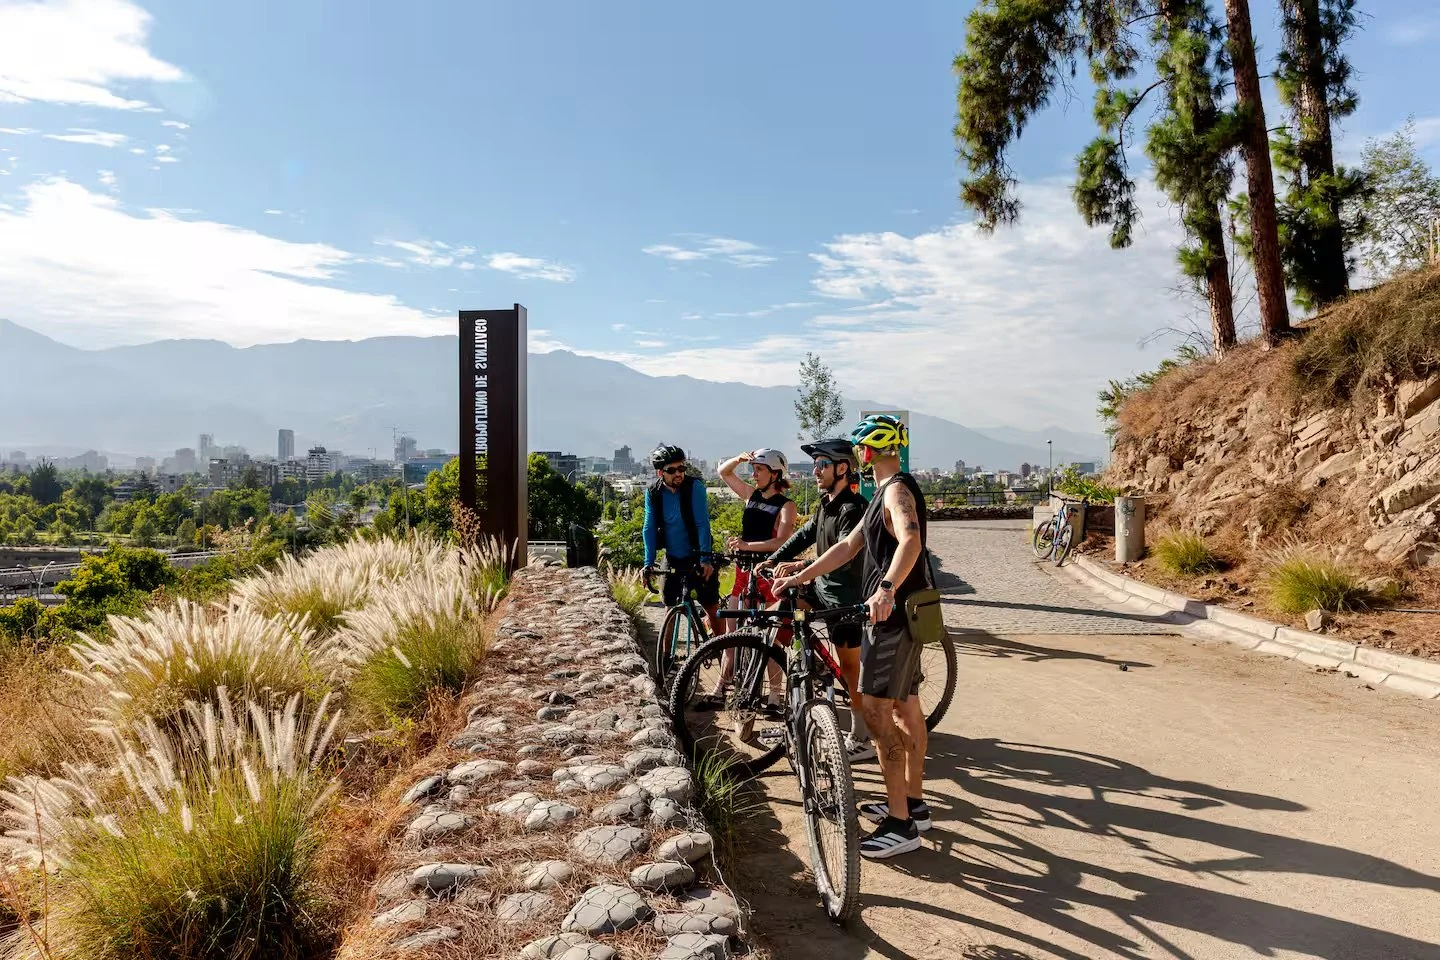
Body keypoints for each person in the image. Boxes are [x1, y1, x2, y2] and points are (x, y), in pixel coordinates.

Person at [774, 414, 931, 859]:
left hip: (890, 618)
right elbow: (845, 549)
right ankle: (913, 805)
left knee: (881, 718)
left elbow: (911, 541)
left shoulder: (895, 490)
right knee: (906, 707)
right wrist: (799, 576)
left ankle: (901, 826)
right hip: (907, 616)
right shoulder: (884, 491)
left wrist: (885, 588)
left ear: (863, 453)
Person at [762, 437, 875, 762]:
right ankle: (802, 688)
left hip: (845, 597)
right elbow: (804, 535)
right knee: (778, 614)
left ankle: (861, 737)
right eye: (815, 464)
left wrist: (801, 569)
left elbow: (842, 553)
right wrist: (776, 559)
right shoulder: (826, 503)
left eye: (822, 464)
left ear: (842, 469)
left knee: (851, 668)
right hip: (819, 588)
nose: (815, 470)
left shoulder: (853, 510)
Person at [642, 444, 721, 636]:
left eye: (682, 468)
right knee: (670, 609)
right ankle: (666, 660)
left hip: (698, 555)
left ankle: (723, 652)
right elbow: (649, 527)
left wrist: (705, 559)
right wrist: (648, 563)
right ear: (661, 472)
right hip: (673, 557)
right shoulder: (653, 493)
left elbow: (703, 523)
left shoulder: (694, 487)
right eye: (672, 470)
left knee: (711, 608)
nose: (678, 473)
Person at [717, 448, 797, 606]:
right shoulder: (750, 494)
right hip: (744, 568)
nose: (754, 475)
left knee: (768, 624)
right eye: (753, 469)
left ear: (775, 474)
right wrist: (738, 460)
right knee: (731, 625)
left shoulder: (787, 506)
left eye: (759, 469)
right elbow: (723, 472)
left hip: (768, 572)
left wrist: (746, 545)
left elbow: (782, 542)